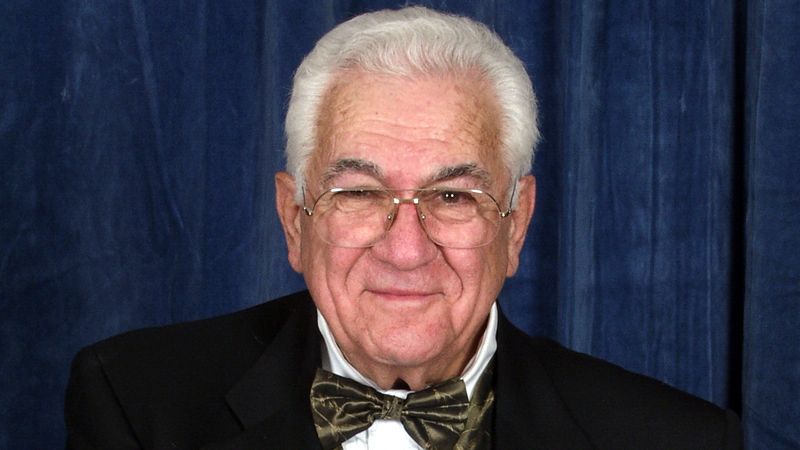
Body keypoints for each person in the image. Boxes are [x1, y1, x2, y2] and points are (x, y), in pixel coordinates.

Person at [65, 6, 743, 450]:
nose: (406, 249)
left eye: (452, 195)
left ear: (515, 226)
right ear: (295, 220)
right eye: (360, 193)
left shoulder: (675, 440)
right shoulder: (136, 405)